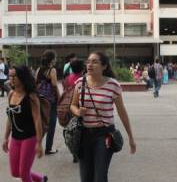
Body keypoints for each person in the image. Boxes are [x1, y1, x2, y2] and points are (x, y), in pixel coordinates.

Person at [70, 52, 136, 182]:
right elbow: (72, 105)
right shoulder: (80, 83)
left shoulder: (113, 85)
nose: (90, 65)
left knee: (100, 177)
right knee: (86, 178)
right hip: (84, 135)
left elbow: (122, 112)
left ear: (104, 66)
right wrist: (78, 112)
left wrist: (131, 138)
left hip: (104, 135)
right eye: (88, 62)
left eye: (94, 62)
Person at [3, 65, 47, 182]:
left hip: (29, 138)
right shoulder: (11, 94)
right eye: (10, 76)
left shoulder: (31, 97)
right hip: (15, 138)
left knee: (24, 173)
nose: (11, 79)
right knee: (15, 172)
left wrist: (39, 142)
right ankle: (41, 179)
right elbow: (10, 118)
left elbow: (37, 120)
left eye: (14, 76)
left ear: (22, 77)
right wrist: (5, 138)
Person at [36, 50, 60, 155]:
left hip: (40, 99)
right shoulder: (52, 70)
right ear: (52, 59)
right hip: (51, 101)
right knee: (51, 123)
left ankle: (35, 145)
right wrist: (59, 97)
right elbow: (54, 85)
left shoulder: (38, 69)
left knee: (41, 123)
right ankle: (48, 148)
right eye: (55, 58)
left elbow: (35, 82)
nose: (56, 60)